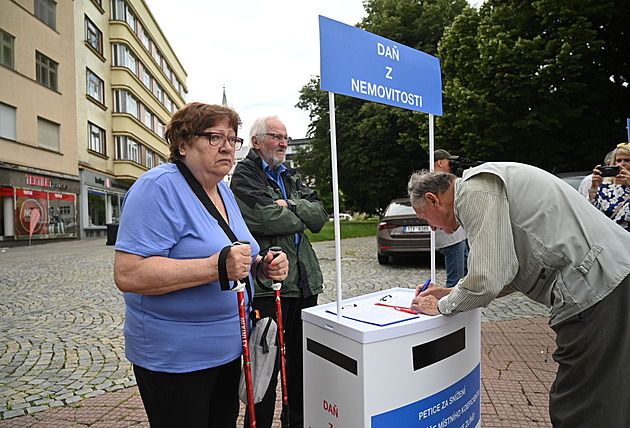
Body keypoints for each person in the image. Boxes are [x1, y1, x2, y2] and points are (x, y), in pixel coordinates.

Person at [407, 162, 630, 427]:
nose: (431, 229)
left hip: (596, 287)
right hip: (613, 274)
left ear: (433, 199)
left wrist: (443, 305)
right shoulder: (486, 184)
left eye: (425, 219)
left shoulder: (472, 190)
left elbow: (487, 279)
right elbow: (507, 267)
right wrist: (454, 290)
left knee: (580, 403)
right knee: (611, 392)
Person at [113, 103, 289, 428]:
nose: (226, 146)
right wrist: (215, 267)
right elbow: (129, 273)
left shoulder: (223, 190)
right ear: (183, 144)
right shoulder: (158, 187)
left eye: (232, 139)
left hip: (228, 350)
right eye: (214, 137)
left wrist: (262, 266)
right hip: (176, 358)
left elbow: (238, 256)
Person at [230, 116, 327, 428]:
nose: (283, 143)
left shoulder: (291, 174)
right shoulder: (245, 173)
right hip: (269, 287)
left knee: (300, 370)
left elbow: (320, 216)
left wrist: (289, 205)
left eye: (286, 137)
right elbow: (264, 218)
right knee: (265, 369)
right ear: (256, 141)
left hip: (304, 284)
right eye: (275, 136)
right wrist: (294, 210)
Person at [433, 149, 468, 287]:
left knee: (463, 274)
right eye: (449, 161)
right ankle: (452, 307)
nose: (451, 165)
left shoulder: (433, 180)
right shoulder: (440, 180)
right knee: (456, 280)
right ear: (440, 162)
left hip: (456, 236)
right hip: (452, 237)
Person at [588, 143, 630, 231]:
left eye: (627, 160)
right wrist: (594, 188)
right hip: (612, 238)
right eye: (618, 160)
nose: (622, 164)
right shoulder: (606, 187)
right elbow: (592, 214)